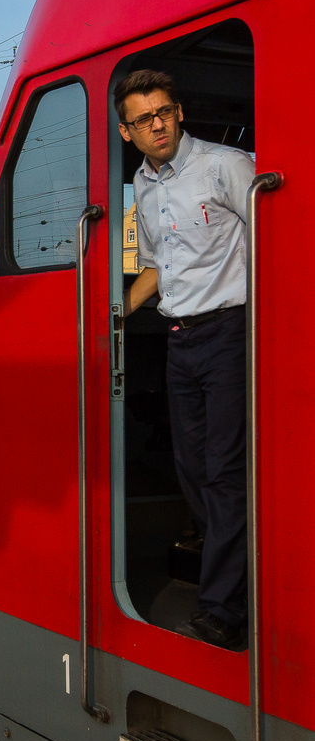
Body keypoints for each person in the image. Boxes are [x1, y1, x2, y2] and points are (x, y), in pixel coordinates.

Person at [118, 69, 254, 651]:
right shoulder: (143, 188)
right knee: (192, 469)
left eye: (164, 112)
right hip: (180, 338)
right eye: (144, 119)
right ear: (127, 133)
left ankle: (224, 609)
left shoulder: (226, 165)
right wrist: (114, 313)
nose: (158, 125)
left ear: (179, 113)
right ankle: (237, 574)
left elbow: (279, 232)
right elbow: (156, 267)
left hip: (229, 329)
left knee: (223, 472)